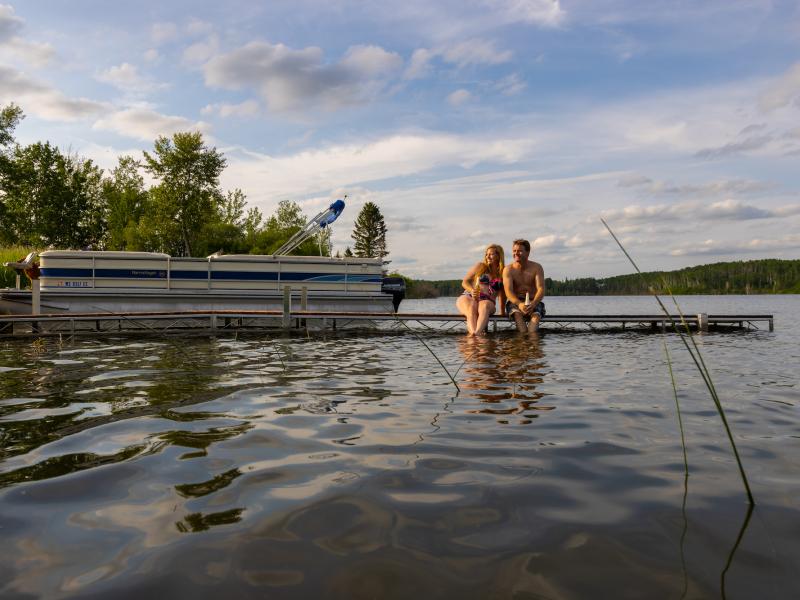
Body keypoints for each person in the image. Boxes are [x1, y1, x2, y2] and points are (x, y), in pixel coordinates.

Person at [456, 244, 506, 335]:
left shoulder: (503, 273)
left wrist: (502, 312)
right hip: (469, 296)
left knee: (485, 306)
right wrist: (472, 290)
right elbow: (465, 282)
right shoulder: (480, 266)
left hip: (488, 301)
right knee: (472, 307)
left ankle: (476, 334)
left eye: (491, 254)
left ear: (499, 256)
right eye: (486, 254)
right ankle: (475, 335)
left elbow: (502, 294)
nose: (488, 257)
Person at [502, 239, 545, 333]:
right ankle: (523, 341)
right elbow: (508, 291)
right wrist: (519, 304)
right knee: (517, 315)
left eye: (520, 251)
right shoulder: (508, 270)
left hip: (534, 300)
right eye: (514, 251)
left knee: (536, 316)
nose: (516, 253)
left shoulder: (537, 267)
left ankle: (532, 340)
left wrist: (533, 304)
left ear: (528, 252)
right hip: (515, 302)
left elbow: (541, 288)